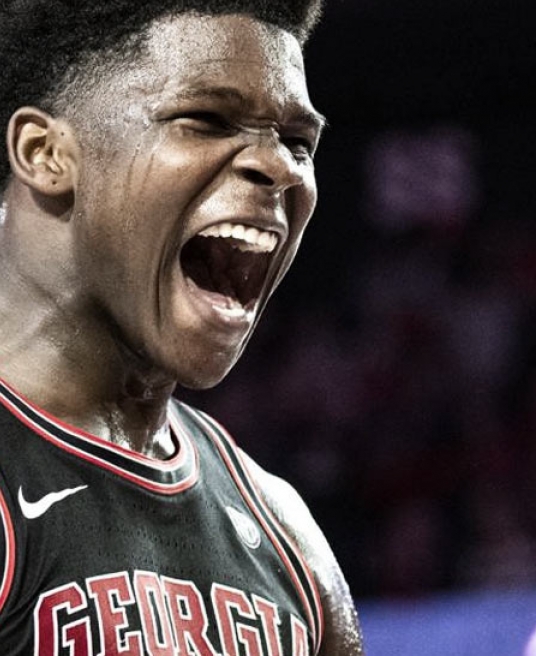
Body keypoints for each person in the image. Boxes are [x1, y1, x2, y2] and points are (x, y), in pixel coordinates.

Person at [0, 1, 364, 654]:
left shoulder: (287, 537)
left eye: (297, 142)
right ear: (45, 152)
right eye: (207, 120)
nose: (281, 167)